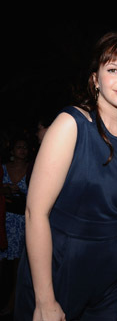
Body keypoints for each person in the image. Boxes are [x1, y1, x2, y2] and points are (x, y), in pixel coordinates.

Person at [14, 31, 117, 321]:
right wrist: (44, 300)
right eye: (113, 69)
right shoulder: (71, 124)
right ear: (95, 79)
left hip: (110, 275)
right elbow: (35, 212)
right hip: (57, 265)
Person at [0, 135, 30, 317]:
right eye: (19, 146)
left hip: (22, 221)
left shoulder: (31, 169)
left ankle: (12, 304)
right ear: (12, 151)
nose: (22, 150)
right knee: (3, 264)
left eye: (25, 147)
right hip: (4, 219)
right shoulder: (3, 169)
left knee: (18, 266)